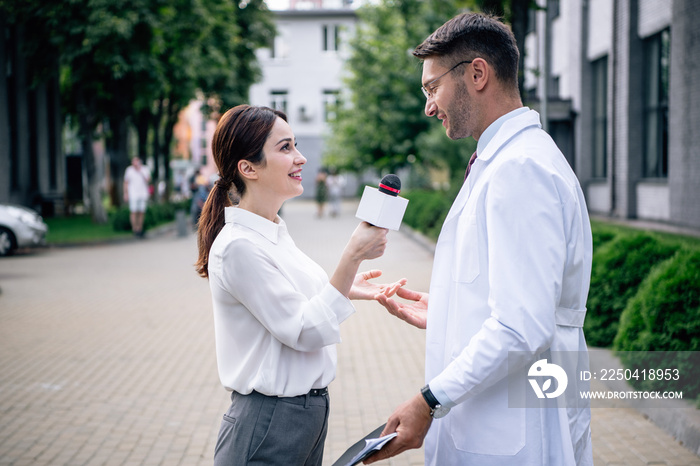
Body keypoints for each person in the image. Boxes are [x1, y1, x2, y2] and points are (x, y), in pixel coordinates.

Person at [367, 12, 593, 466]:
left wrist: (428, 400)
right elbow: (517, 302)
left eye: (432, 88)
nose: (428, 106)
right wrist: (452, 311)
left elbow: (521, 325)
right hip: (503, 412)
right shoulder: (502, 161)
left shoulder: (520, 169)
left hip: (516, 427)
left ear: (476, 73)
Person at [194, 105, 404, 466]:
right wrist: (351, 256)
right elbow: (304, 329)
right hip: (270, 423)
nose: (301, 158)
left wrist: (347, 286)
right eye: (286, 147)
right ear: (248, 168)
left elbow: (292, 300)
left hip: (305, 415)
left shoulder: (272, 231)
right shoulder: (238, 246)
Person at [123, 157, 151, 237]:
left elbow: (148, 180)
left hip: (142, 194)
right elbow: (126, 182)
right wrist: (125, 193)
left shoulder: (144, 169)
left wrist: (140, 171)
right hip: (133, 194)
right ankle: (134, 229)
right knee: (133, 211)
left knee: (141, 212)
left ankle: (140, 228)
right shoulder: (129, 170)